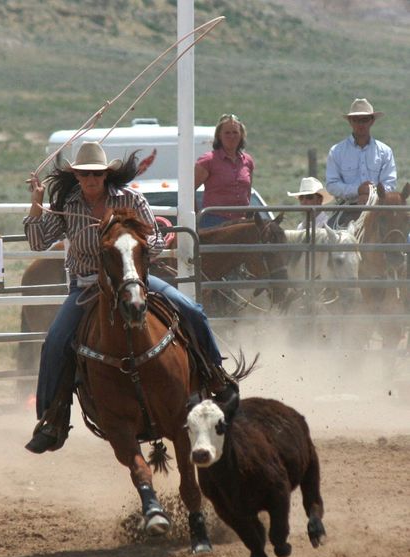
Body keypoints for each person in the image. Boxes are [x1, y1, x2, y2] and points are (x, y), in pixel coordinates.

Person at [23, 141, 239, 453]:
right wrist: (37, 203)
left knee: (192, 311)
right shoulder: (69, 206)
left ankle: (216, 376)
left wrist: (140, 245)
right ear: (77, 177)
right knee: (55, 340)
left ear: (106, 175)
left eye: (96, 173)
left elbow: (155, 239)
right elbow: (37, 241)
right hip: (87, 286)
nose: (90, 179)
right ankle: (52, 418)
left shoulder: (130, 199)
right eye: (84, 175)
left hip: (133, 280)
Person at [325, 98, 397, 227]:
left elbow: (390, 184)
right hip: (346, 209)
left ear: (372, 121)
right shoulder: (336, 151)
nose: (361, 124)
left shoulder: (385, 151)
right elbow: (332, 185)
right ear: (350, 122)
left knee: (397, 234)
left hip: (378, 210)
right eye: (356, 120)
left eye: (364, 119)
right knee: (327, 238)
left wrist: (371, 195)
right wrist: (357, 191)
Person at [194, 113, 255, 228]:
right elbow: (188, 190)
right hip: (214, 222)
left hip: (241, 222)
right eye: (227, 133)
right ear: (219, 136)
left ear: (241, 135)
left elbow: (247, 192)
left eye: (235, 132)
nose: (231, 136)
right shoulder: (208, 160)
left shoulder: (248, 161)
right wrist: (197, 217)